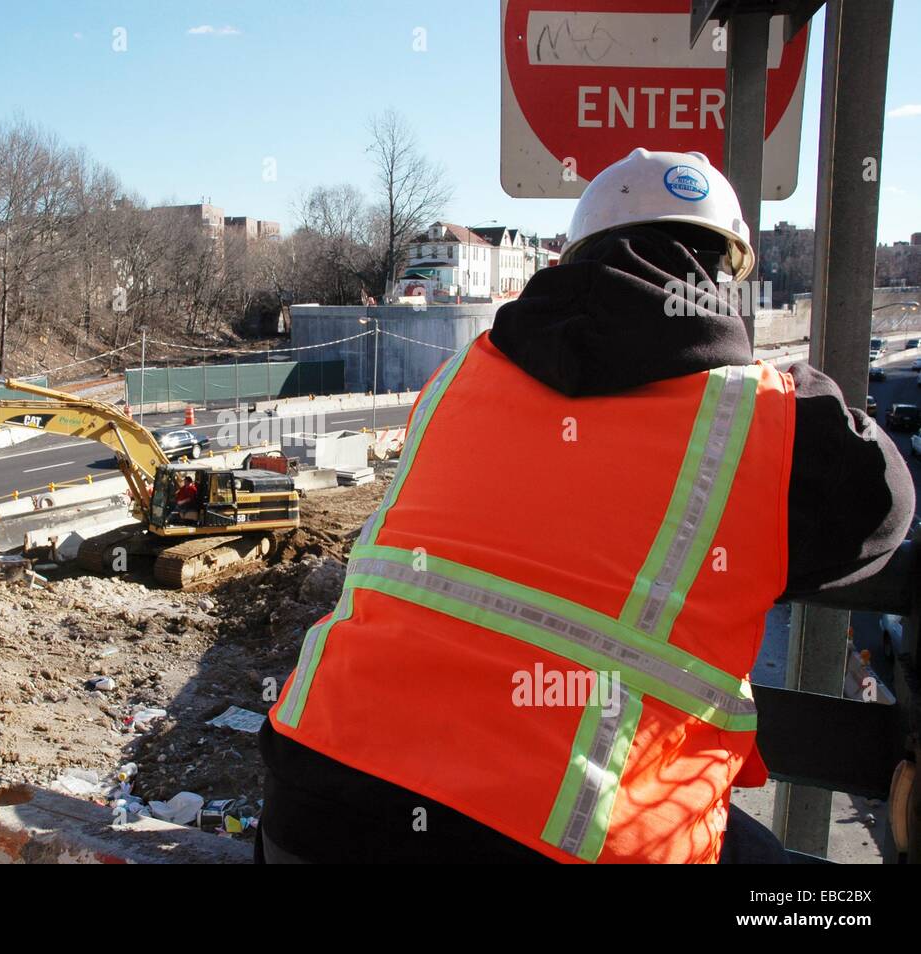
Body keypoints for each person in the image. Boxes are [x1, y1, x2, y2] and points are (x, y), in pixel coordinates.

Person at [257, 148, 914, 864]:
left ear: (570, 261)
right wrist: (797, 387)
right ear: (724, 279)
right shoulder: (765, 422)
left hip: (311, 803)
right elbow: (881, 505)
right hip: (566, 837)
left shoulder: (457, 380)